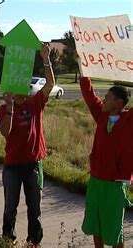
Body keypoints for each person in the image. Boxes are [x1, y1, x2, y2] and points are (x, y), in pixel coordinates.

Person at [0, 43, 54, 247]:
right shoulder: (4, 109)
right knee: (10, 206)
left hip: (32, 165)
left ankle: (34, 241)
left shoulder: (34, 103)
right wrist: (10, 106)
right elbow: (5, 132)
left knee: (34, 208)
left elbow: (49, 85)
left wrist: (45, 59)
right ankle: (7, 239)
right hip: (12, 166)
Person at [77, 57, 132, 248]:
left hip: (115, 183)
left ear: (118, 102)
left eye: (108, 97)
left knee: (114, 228)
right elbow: (89, 94)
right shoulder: (102, 116)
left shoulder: (129, 120)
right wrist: (82, 66)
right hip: (96, 180)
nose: (104, 98)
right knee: (96, 225)